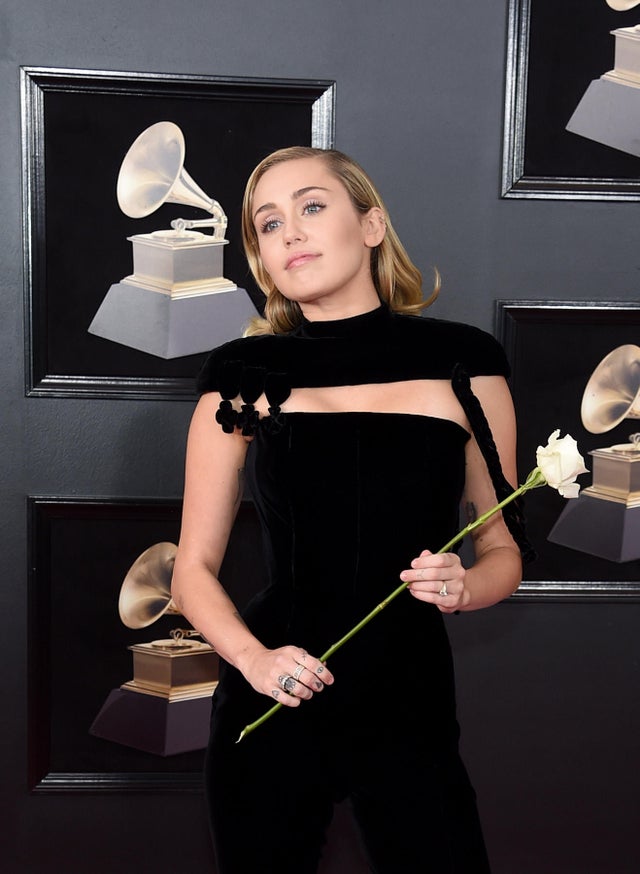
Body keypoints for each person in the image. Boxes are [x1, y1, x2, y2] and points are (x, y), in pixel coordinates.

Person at [171, 146, 533, 874]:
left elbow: (504, 550)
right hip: (273, 696)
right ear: (263, 260)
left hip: (410, 703)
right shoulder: (243, 374)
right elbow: (191, 572)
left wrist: (466, 586)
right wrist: (256, 662)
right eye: (268, 225)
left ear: (371, 226)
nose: (290, 233)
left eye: (311, 207)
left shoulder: (466, 362)